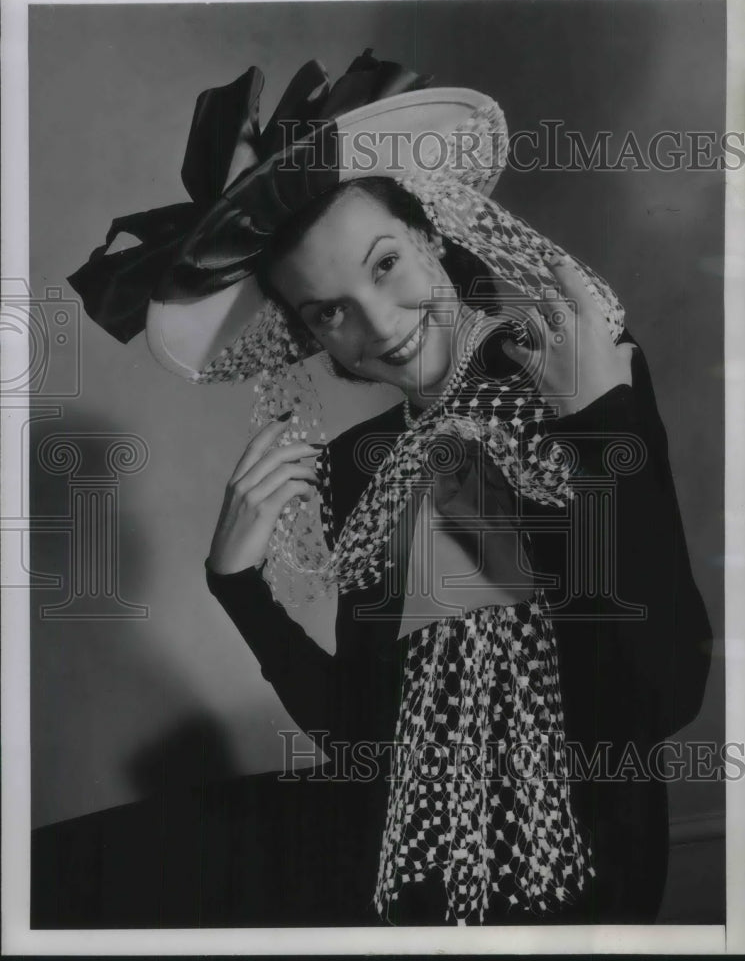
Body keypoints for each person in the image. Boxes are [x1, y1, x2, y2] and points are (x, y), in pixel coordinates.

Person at [56, 50, 712, 928]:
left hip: (574, 872)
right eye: (328, 311)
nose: (378, 325)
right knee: (80, 876)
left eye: (384, 264)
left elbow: (661, 693)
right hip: (403, 863)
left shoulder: (571, 380)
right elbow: (364, 733)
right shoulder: (359, 463)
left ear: (434, 235)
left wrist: (599, 425)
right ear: (309, 339)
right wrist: (237, 586)